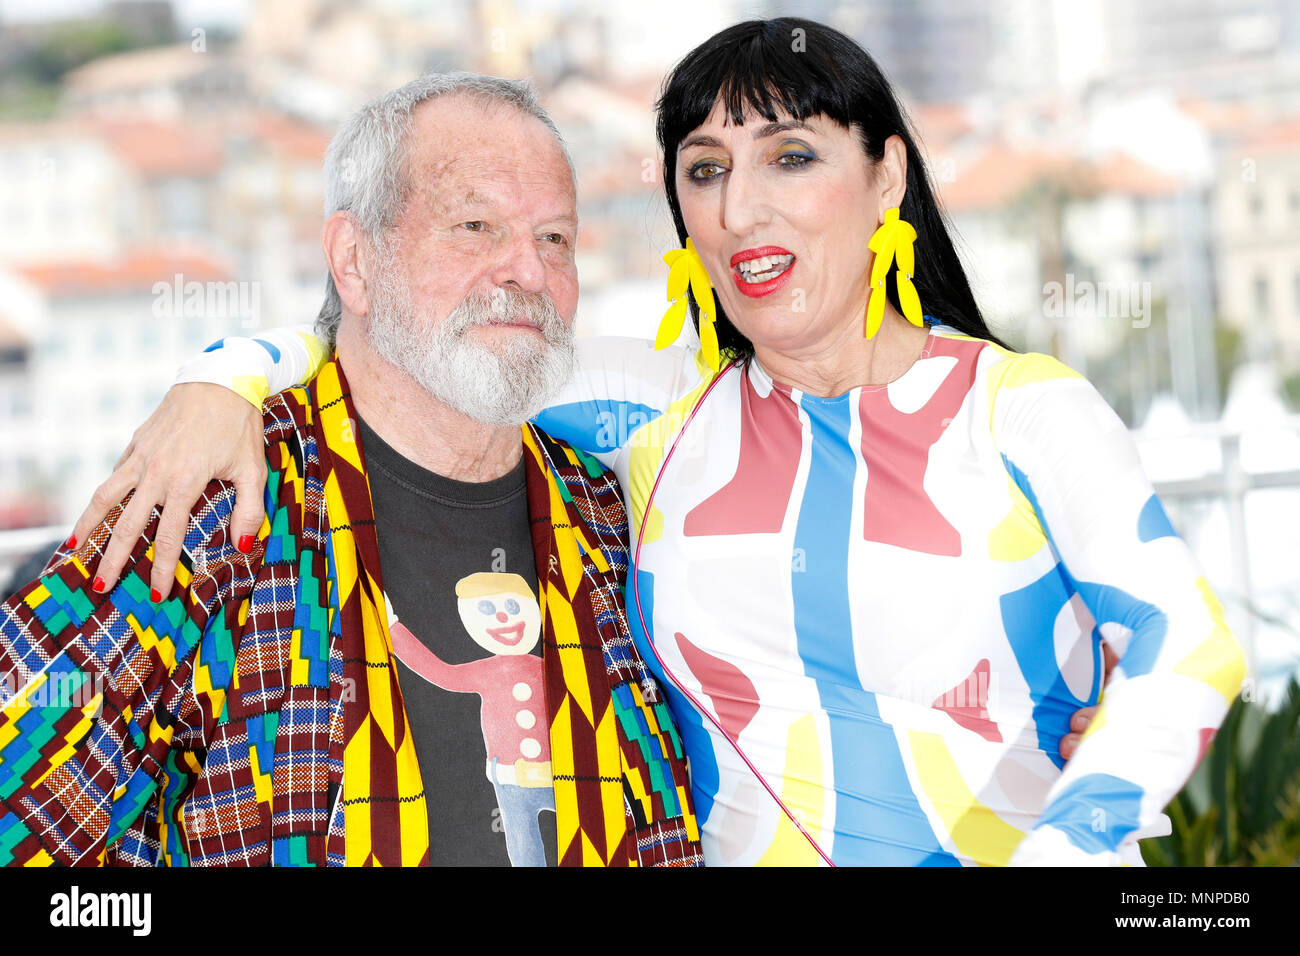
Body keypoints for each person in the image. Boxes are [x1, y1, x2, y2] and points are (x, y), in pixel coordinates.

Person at [67, 20, 1243, 866]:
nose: (743, 209)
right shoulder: (654, 419)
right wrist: (221, 375)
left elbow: (1190, 649)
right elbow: (439, 332)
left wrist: (1072, 849)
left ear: (885, 176)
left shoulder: (1024, 412)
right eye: (704, 170)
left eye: (792, 156)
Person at [0, 73, 701, 867]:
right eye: (475, 225)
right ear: (355, 260)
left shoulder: (615, 514)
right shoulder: (214, 511)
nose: (529, 273)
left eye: (555, 239)